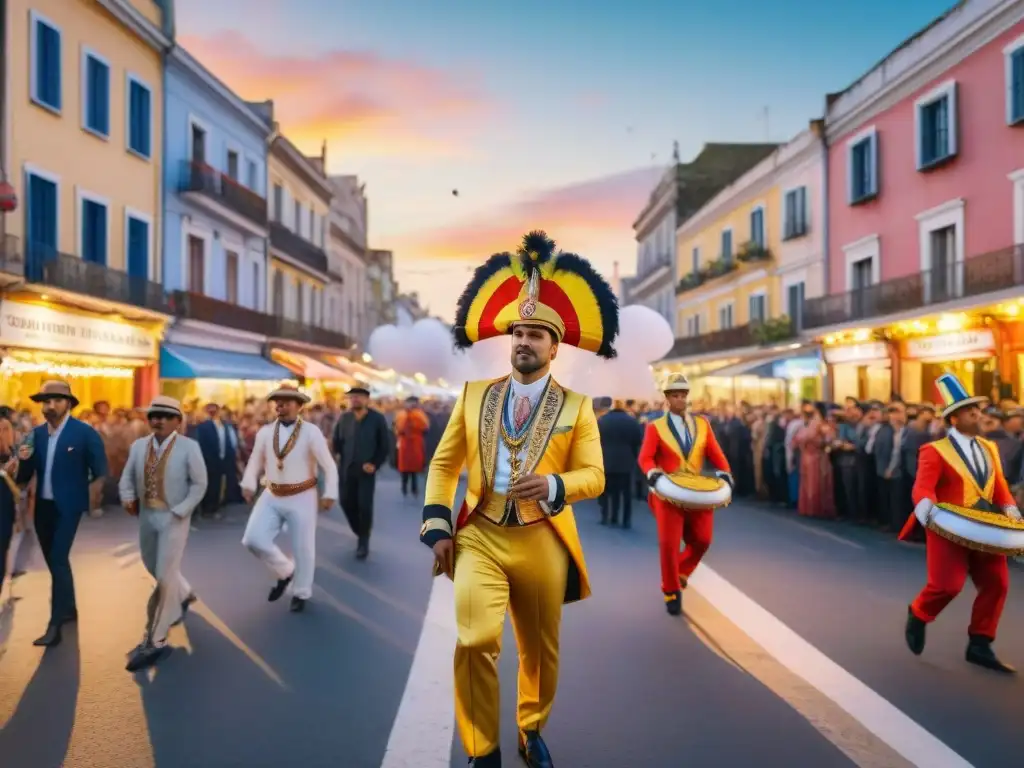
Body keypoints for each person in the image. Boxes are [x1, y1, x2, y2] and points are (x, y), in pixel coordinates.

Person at [421, 231, 616, 767]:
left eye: (535, 334)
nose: (524, 341)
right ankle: (483, 748)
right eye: (518, 332)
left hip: (543, 538)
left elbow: (595, 476)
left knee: (539, 650)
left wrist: (556, 486)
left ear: (555, 347)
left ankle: (531, 728)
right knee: (474, 639)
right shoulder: (473, 395)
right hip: (480, 533)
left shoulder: (577, 407)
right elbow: (444, 466)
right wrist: (438, 527)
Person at [902, 373, 1021, 673]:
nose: (977, 414)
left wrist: (1011, 510)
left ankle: (980, 643)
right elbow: (923, 486)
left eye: (978, 409)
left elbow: (1000, 486)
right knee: (947, 586)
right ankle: (918, 613)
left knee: (997, 584)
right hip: (949, 528)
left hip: (987, 527)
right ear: (954, 419)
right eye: (970, 410)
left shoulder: (990, 447)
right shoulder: (934, 450)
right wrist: (927, 510)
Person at [14, 380, 107, 647]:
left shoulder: (84, 433)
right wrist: (17, 463)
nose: (49, 405)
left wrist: (90, 497)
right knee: (58, 562)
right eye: (46, 401)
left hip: (68, 507)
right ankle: (69, 608)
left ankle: (54, 625)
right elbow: (25, 471)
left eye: (56, 400)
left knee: (57, 558)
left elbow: (100, 470)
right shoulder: (36, 435)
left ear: (68, 403)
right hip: (42, 507)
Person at [119, 396, 208, 671]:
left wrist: (182, 510)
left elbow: (199, 483)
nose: (156, 420)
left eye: (164, 416)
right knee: (153, 566)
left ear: (177, 422)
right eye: (152, 416)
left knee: (163, 578)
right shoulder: (138, 446)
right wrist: (128, 497)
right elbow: (126, 478)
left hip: (174, 519)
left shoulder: (189, 447)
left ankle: (155, 640)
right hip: (147, 516)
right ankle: (185, 593)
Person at [638, 374, 731, 616]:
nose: (681, 400)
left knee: (703, 540)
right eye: (675, 396)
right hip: (667, 492)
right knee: (669, 544)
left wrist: (725, 473)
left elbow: (715, 453)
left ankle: (680, 571)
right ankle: (671, 590)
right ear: (667, 399)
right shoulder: (655, 427)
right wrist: (653, 473)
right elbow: (645, 457)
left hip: (698, 491)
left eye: (683, 395)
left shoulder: (703, 424)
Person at [241, 385, 338, 612]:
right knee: (252, 539)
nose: (280, 405)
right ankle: (286, 570)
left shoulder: (312, 432)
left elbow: (328, 465)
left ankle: (301, 592)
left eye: (286, 401)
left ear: (299, 406)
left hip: (302, 495)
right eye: (277, 401)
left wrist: (330, 493)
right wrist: (248, 484)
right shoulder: (265, 432)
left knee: (303, 547)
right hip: (271, 493)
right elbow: (255, 460)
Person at [332, 387, 390, 559]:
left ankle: (363, 542)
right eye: (352, 397)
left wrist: (374, 464)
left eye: (358, 397)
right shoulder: (344, 419)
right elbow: (337, 442)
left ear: (366, 399)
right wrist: (337, 457)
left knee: (364, 506)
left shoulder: (377, 419)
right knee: (345, 502)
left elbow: (384, 445)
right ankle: (360, 531)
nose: (354, 400)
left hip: (366, 471)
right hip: (346, 469)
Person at [596, 399, 644, 527]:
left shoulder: (602, 421)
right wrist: (634, 457)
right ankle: (626, 520)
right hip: (626, 462)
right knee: (626, 493)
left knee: (605, 491)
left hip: (606, 461)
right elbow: (638, 442)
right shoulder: (632, 421)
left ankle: (606, 515)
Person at [395, 396, 429, 497]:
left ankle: (414, 487)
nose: (411, 405)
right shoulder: (401, 414)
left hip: (415, 443)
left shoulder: (420, 415)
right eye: (409, 403)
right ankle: (404, 486)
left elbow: (425, 429)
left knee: (414, 467)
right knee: (405, 467)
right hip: (405, 443)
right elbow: (397, 427)